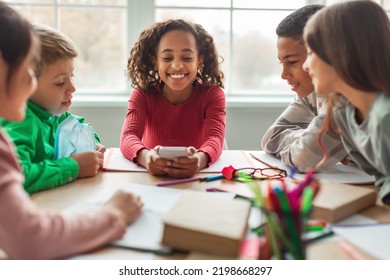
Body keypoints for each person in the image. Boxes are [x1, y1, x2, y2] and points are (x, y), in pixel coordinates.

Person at [0, 2, 143, 259]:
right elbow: (30, 240)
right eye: (28, 73)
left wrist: (89, 146)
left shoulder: (51, 114)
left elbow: (74, 126)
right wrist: (113, 213)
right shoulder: (16, 126)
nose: (30, 82)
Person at [303, 0, 390, 204]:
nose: (306, 66)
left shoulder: (386, 116)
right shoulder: (344, 112)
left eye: (310, 53)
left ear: (340, 52)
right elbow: (381, 176)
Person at [2, 23, 105, 194]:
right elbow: (16, 178)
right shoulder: (20, 122)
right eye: (60, 82)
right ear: (27, 82)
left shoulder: (52, 113)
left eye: (71, 76)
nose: (72, 88)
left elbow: (77, 124)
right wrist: (75, 166)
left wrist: (92, 144)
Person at [120, 19, 226, 178]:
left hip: (197, 177)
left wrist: (200, 159)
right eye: (167, 58)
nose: (177, 66)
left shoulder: (212, 95)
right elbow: (128, 137)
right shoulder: (142, 94)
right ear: (155, 62)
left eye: (187, 58)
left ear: (200, 61)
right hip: (152, 178)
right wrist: (145, 157)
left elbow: (215, 138)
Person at [261, 5, 347, 172]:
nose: (284, 75)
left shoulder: (346, 98)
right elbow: (271, 138)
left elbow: (303, 159)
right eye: (281, 62)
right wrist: (307, 136)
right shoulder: (311, 94)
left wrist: (308, 143)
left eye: (292, 62)